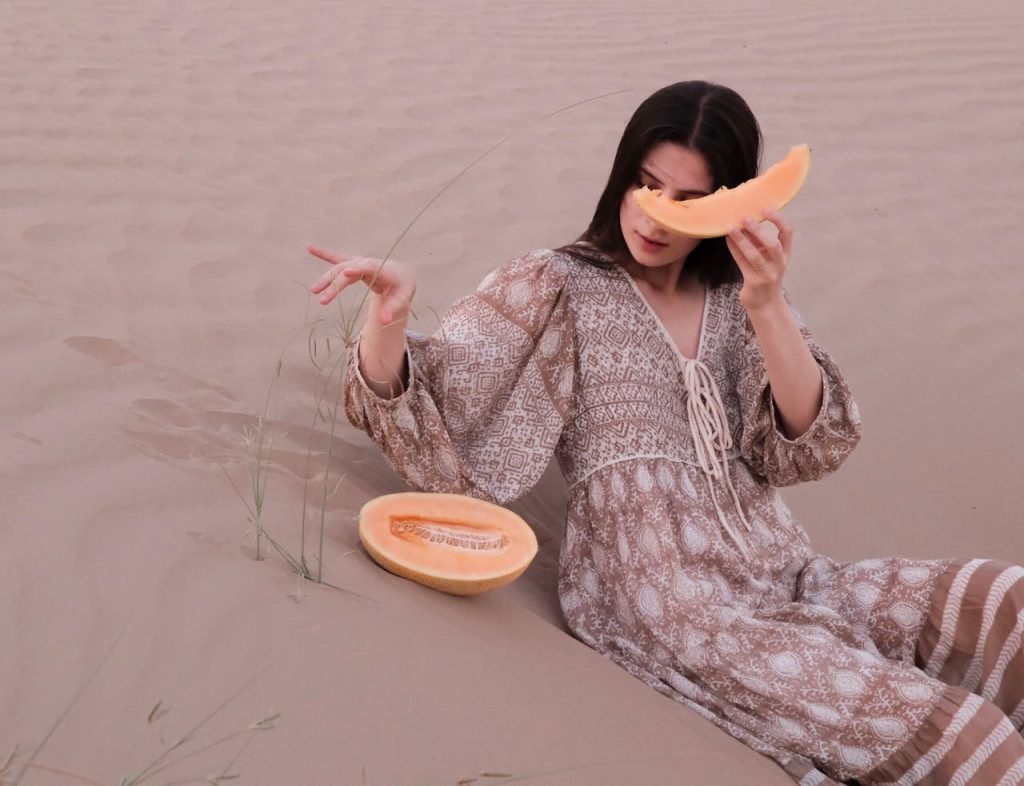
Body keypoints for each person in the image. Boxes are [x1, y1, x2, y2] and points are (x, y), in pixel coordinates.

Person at [307, 81, 1024, 785]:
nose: (656, 218)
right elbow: (438, 398)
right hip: (674, 609)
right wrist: (391, 315)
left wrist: (768, 304)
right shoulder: (558, 284)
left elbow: (810, 441)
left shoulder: (736, 298)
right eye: (646, 186)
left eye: (689, 202)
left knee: (1009, 601)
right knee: (971, 741)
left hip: (793, 575)